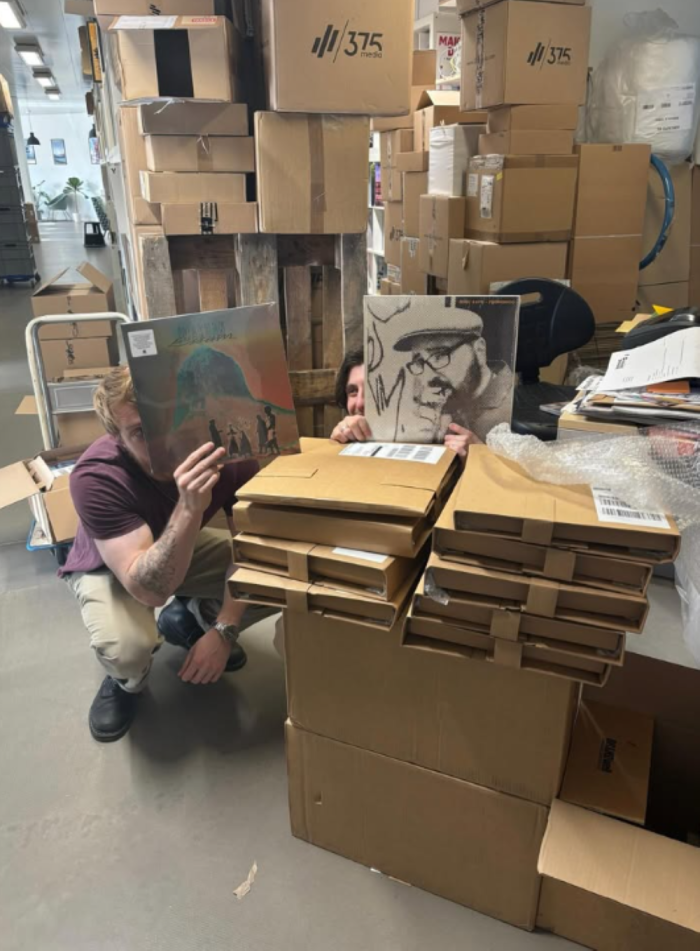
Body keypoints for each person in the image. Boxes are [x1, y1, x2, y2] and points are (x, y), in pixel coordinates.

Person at [60, 367, 276, 744]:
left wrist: (224, 629)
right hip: (113, 564)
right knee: (127, 649)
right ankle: (126, 682)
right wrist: (190, 507)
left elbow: (251, 549)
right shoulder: (96, 476)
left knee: (275, 578)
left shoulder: (228, 452)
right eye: (141, 432)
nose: (165, 442)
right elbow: (149, 590)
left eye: (172, 419)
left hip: (182, 544)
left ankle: (189, 617)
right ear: (117, 438)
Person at [330, 348, 482, 460]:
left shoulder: (436, 432)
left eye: (372, 389)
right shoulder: (347, 439)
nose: (360, 403)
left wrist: (478, 460)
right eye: (353, 391)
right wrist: (338, 444)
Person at [392, 309, 515, 444]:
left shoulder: (515, 407)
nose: (428, 377)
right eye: (419, 361)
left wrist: (478, 451)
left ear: (479, 350)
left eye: (439, 355)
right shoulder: (441, 405)